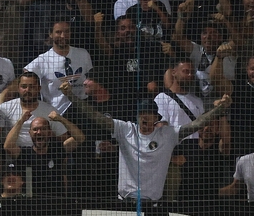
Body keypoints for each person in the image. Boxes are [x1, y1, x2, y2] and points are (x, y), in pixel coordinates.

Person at [62, 80, 231, 202]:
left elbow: (197, 124)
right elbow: (95, 116)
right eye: (143, 116)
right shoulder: (125, 129)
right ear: (137, 117)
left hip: (152, 204)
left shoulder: (168, 134)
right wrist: (71, 96)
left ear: (156, 118)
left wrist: (219, 109)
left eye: (150, 117)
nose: (146, 121)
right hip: (124, 202)